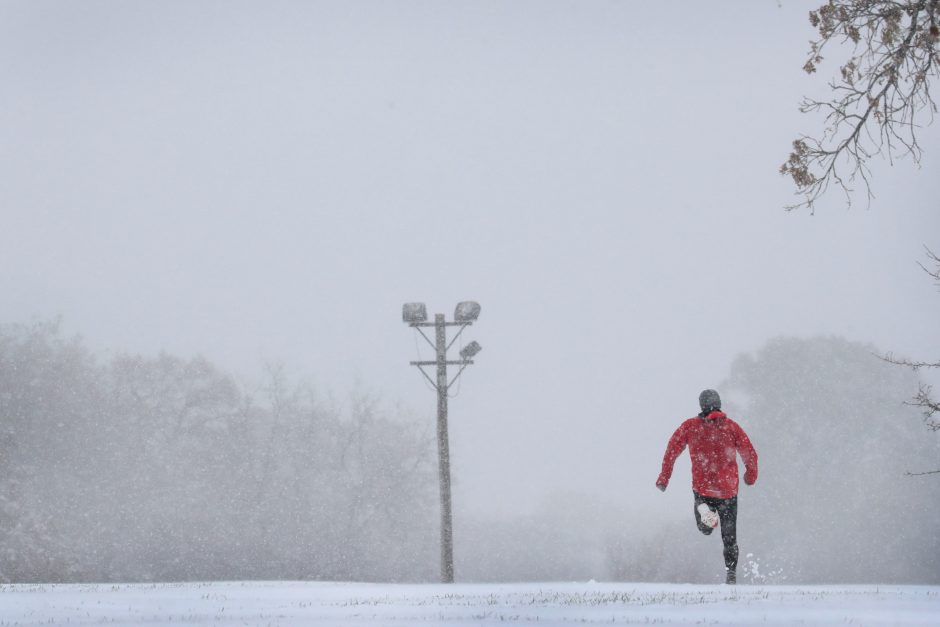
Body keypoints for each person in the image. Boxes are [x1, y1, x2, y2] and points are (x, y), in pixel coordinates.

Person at [656, 389, 758, 585]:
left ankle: (705, 513)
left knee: (705, 529)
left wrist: (664, 478)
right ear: (719, 403)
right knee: (729, 537)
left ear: (701, 405)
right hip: (728, 491)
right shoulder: (732, 427)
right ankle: (731, 573)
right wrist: (750, 476)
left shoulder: (690, 426)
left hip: (703, 489)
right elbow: (749, 453)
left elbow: (672, 450)